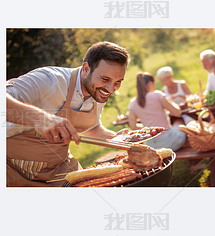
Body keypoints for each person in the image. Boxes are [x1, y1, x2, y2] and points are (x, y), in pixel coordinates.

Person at [6, 41, 129, 186]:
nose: (110, 89)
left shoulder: (97, 90)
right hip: (11, 168)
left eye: (117, 82)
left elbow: (91, 126)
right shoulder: (49, 80)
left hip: (59, 168)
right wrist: (41, 119)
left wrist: (116, 138)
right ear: (86, 68)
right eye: (105, 79)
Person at [128, 72, 187, 151]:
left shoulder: (132, 103)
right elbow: (177, 112)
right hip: (170, 142)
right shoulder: (157, 95)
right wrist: (171, 101)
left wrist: (149, 127)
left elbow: (133, 127)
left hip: (151, 146)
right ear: (150, 83)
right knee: (179, 121)